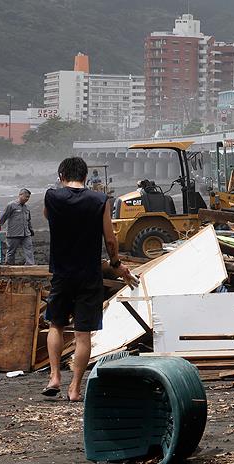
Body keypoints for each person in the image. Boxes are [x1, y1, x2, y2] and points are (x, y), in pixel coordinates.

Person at [44, 157, 134, 401]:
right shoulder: (99, 200)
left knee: (56, 325)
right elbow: (111, 239)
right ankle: (74, 388)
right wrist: (116, 264)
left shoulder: (52, 197)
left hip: (62, 274)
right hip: (89, 275)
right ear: (85, 176)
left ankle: (54, 377)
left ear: (61, 175)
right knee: (83, 334)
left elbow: (47, 215)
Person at [0, 188, 35, 265]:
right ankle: (9, 266)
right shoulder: (11, 205)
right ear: (20, 195)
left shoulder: (27, 207)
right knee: (11, 251)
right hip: (13, 233)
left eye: (28, 197)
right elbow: (4, 215)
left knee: (29, 249)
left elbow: (28, 220)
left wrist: (31, 229)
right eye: (26, 196)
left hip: (26, 234)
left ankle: (30, 265)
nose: (27, 199)